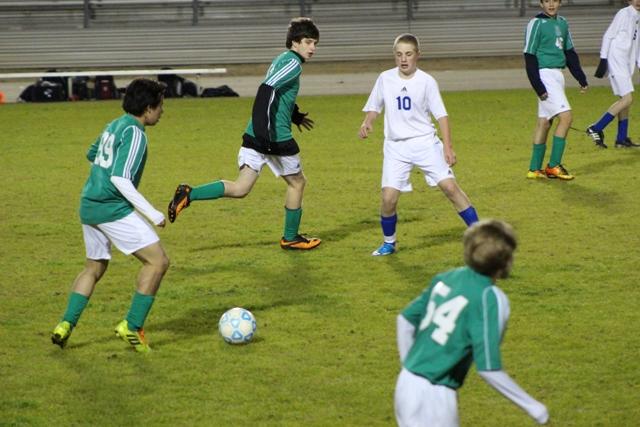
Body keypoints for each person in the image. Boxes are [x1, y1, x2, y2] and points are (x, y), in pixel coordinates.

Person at [167, 17, 321, 251]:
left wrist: (295, 115)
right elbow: (266, 91)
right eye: (309, 42)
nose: (312, 48)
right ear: (295, 42)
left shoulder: (282, 59)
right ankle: (290, 237)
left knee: (241, 189)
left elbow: (279, 95)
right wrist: (265, 134)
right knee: (298, 183)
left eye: (315, 44)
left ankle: (189, 194)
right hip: (272, 137)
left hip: (255, 134)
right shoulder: (294, 63)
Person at [51, 78, 169, 353]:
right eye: (161, 106)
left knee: (94, 267)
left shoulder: (114, 125)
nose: (162, 111)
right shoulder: (136, 132)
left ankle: (64, 325)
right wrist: (152, 213)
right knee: (158, 262)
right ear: (149, 108)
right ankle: (132, 325)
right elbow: (120, 179)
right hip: (110, 208)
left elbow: (92, 154)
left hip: (89, 204)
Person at [394, 219, 549, 426]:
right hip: (435, 394)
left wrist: (410, 367)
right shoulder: (490, 297)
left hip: (406, 385)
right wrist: (534, 407)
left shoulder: (447, 277)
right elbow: (488, 368)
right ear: (505, 260)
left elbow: (404, 320)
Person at [359, 34, 478, 257]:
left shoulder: (427, 81)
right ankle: (389, 243)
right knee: (388, 198)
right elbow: (375, 106)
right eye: (399, 54)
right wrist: (368, 122)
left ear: (417, 55)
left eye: (408, 54)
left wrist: (448, 147)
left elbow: (441, 115)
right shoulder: (385, 78)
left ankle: (479, 236)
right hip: (396, 147)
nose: (403, 59)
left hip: (425, 143)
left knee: (451, 188)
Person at [524, 0, 588, 180]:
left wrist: (580, 77)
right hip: (545, 75)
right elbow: (529, 56)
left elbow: (569, 53)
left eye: (554, 0)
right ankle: (553, 166)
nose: (551, 4)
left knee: (544, 122)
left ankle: (534, 169)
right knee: (566, 117)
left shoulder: (563, 22)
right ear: (541, 3)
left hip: (557, 76)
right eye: (547, 1)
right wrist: (538, 86)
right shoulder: (536, 23)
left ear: (560, 2)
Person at [586, 0, 640, 149]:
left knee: (625, 100)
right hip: (616, 60)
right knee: (627, 99)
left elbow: (637, 43)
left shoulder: (637, 16)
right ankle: (596, 128)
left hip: (625, 62)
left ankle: (621, 139)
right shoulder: (624, 13)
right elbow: (608, 35)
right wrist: (603, 59)